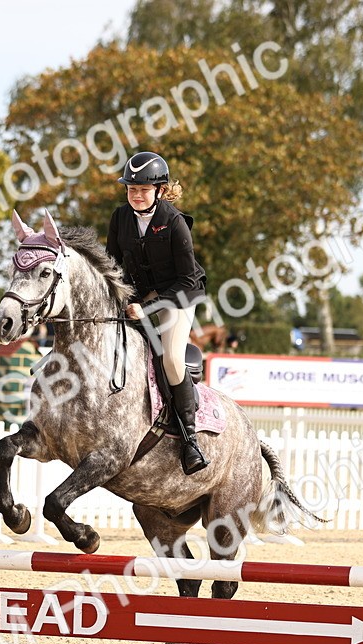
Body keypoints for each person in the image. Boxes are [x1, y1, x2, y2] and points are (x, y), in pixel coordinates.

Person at [106, 151, 208, 475]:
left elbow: (187, 279)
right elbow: (112, 267)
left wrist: (147, 307)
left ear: (159, 191)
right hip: (139, 296)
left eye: (143, 189)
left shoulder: (175, 222)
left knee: (172, 359)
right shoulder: (119, 218)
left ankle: (190, 440)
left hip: (178, 296)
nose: (136, 195)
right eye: (131, 189)